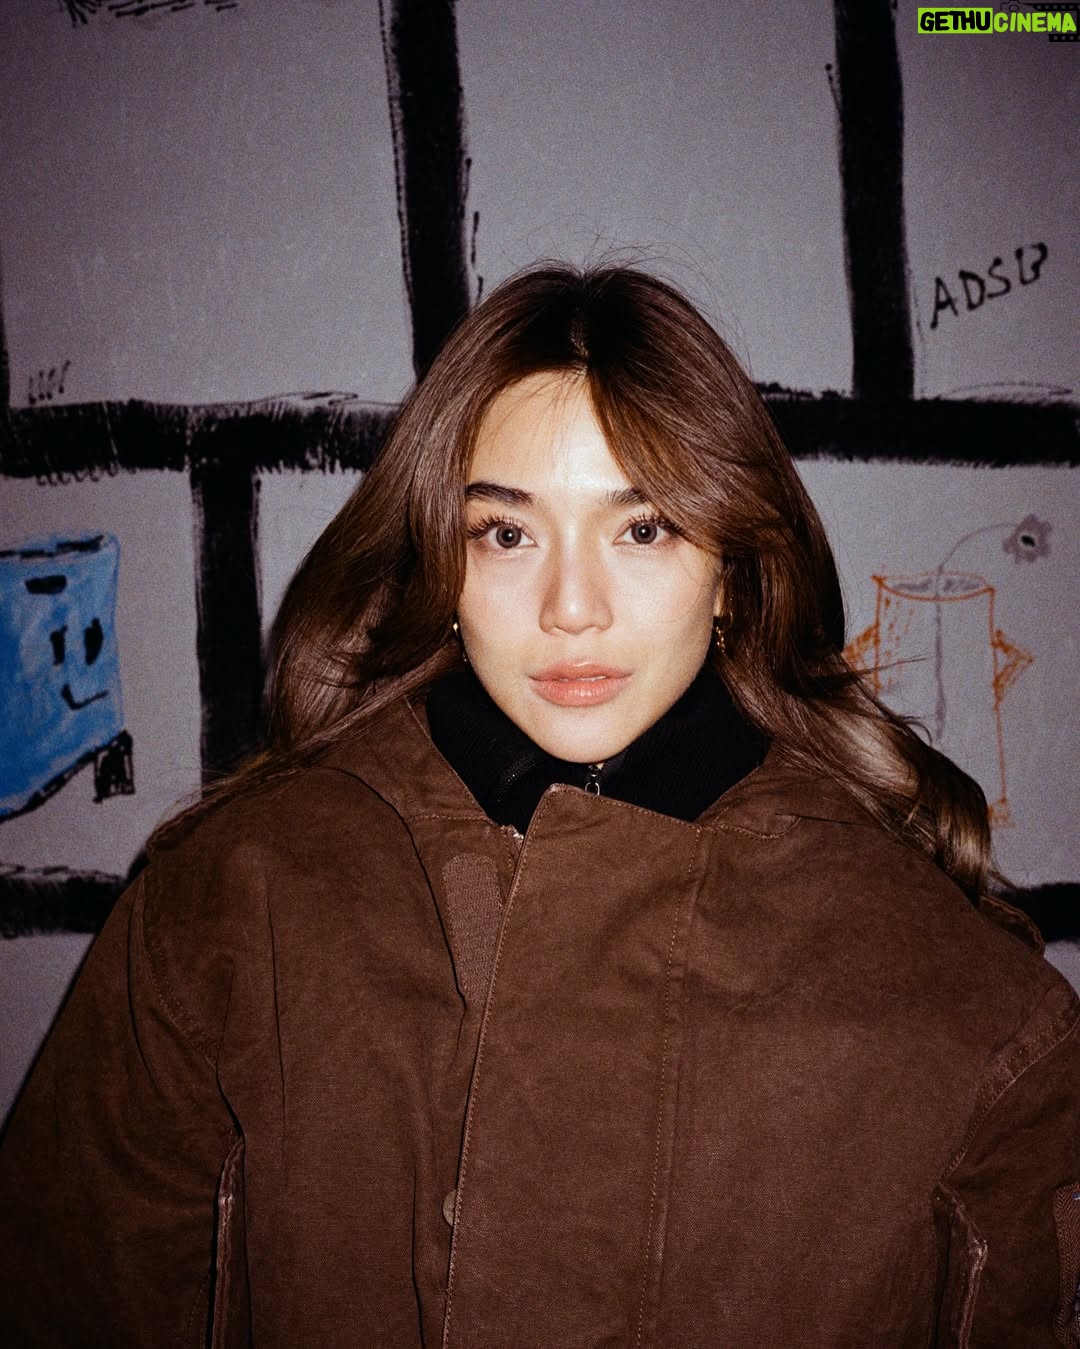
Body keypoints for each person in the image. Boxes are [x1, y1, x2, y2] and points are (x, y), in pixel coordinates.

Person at [1, 264, 1077, 1348]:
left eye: (642, 528)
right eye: (507, 534)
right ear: (442, 562)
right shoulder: (223, 918)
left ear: (732, 569)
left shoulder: (973, 1010)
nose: (571, 608)